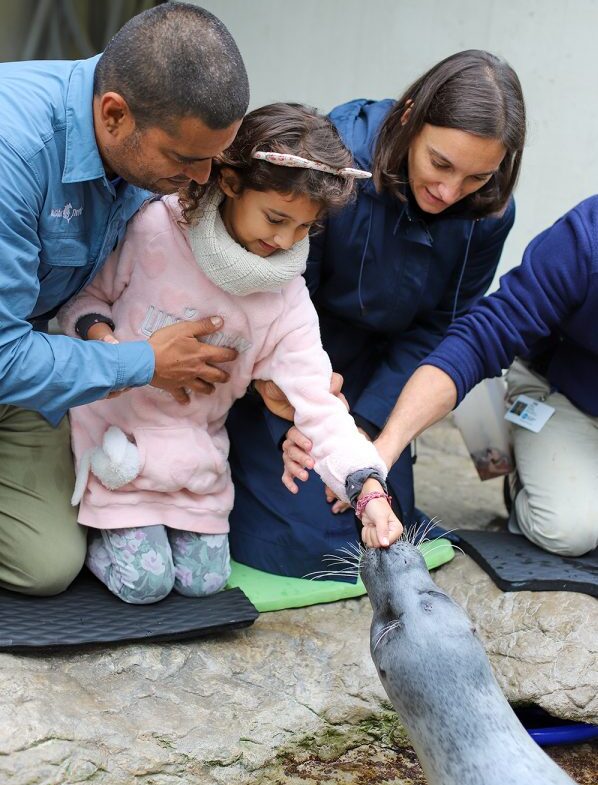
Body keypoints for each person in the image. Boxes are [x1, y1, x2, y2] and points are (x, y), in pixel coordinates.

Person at [58, 103, 402, 605]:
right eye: (276, 218)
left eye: (305, 228)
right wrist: (115, 351)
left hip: (195, 458)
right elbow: (83, 300)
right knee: (146, 582)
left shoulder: (286, 297)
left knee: (204, 582)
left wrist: (368, 490)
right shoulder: (154, 227)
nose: (285, 241)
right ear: (231, 181)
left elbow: (321, 409)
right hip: (117, 444)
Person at [228, 49, 527, 579]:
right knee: (301, 542)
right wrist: (296, 413)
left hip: (379, 378)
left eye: (476, 177)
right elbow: (279, 293)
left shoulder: (489, 211)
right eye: (441, 164)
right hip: (282, 357)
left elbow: (442, 327)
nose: (450, 191)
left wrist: (366, 428)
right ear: (410, 115)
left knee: (372, 527)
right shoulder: (337, 158)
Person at [0, 2, 250, 596]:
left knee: (47, 565)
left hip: (28, 356)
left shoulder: (144, 136)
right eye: (186, 160)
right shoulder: (16, 152)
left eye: (215, 156)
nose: (202, 177)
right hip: (11, 356)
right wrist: (143, 363)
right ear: (113, 115)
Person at [363, 196, 598, 558]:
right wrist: (384, 448)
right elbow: (484, 335)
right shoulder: (585, 241)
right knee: (570, 530)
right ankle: (517, 465)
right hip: (561, 389)